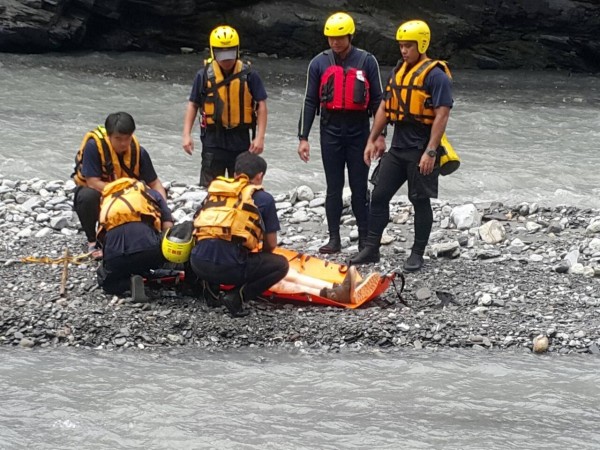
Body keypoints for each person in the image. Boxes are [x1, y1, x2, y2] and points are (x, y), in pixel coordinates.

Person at [349, 20, 454, 272]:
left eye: (408, 46)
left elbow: (442, 114)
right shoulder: (398, 72)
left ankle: (417, 253)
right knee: (379, 194)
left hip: (421, 146)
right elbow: (385, 107)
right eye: (401, 46)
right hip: (398, 146)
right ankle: (371, 248)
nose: (404, 51)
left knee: (419, 200)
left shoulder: (436, 75)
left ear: (422, 44)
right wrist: (373, 138)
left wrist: (431, 151)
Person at [297, 12, 385, 254]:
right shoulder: (318, 63)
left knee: (359, 187)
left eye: (340, 37)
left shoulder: (367, 61)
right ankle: (333, 238)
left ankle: (365, 240)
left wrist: (380, 135)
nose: (335, 42)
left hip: (359, 132)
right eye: (331, 38)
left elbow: (378, 101)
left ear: (350, 36)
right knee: (333, 187)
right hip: (331, 131)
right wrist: (303, 137)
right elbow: (309, 101)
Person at [190, 152, 288, 317]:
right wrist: (257, 259)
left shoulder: (215, 193)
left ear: (235, 174)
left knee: (209, 240)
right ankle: (237, 296)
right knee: (281, 265)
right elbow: (271, 244)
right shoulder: (264, 198)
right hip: (230, 268)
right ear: (260, 176)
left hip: (197, 264)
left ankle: (210, 293)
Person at [72, 112, 168, 259]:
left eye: (127, 138)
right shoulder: (94, 148)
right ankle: (93, 241)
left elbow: (154, 183)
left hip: (129, 199)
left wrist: (163, 208)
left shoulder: (139, 152)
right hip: (102, 194)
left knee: (152, 199)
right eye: (118, 139)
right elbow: (92, 182)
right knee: (86, 196)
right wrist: (123, 195)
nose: (123, 143)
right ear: (109, 137)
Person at [182, 25, 268, 187]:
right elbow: (193, 104)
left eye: (230, 52)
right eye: (221, 53)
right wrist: (186, 134)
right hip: (213, 139)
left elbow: (261, 105)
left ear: (237, 50)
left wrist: (260, 137)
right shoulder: (203, 75)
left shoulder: (249, 75)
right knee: (211, 187)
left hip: (241, 139)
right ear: (213, 52)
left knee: (242, 186)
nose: (226, 59)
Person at [95, 178, 174, 297]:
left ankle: (128, 283)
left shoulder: (107, 200)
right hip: (147, 248)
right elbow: (168, 227)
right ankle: (149, 278)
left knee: (107, 282)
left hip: (115, 254)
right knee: (155, 258)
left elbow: (101, 237)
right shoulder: (151, 194)